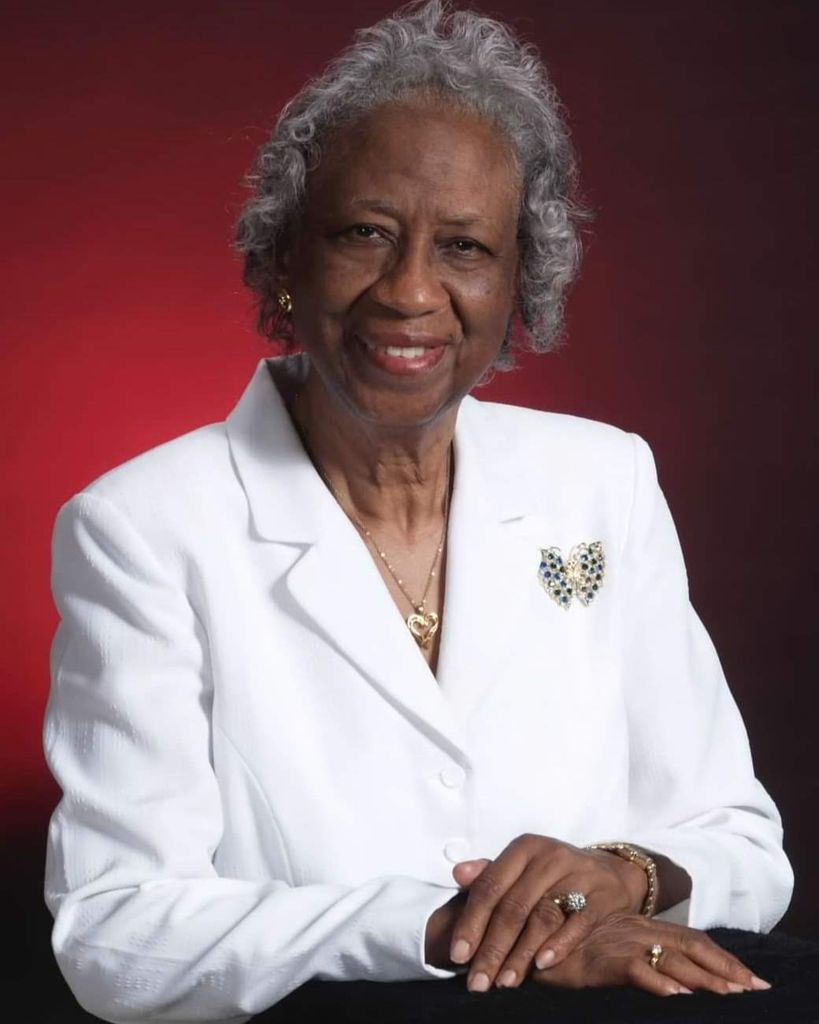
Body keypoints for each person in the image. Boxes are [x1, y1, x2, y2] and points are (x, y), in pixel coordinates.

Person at [43, 1, 793, 1020]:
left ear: (520, 281)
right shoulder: (141, 528)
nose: (409, 292)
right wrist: (456, 928)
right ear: (285, 258)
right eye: (365, 234)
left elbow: (743, 847)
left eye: (465, 247)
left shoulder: (603, 479)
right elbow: (116, 931)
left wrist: (621, 875)